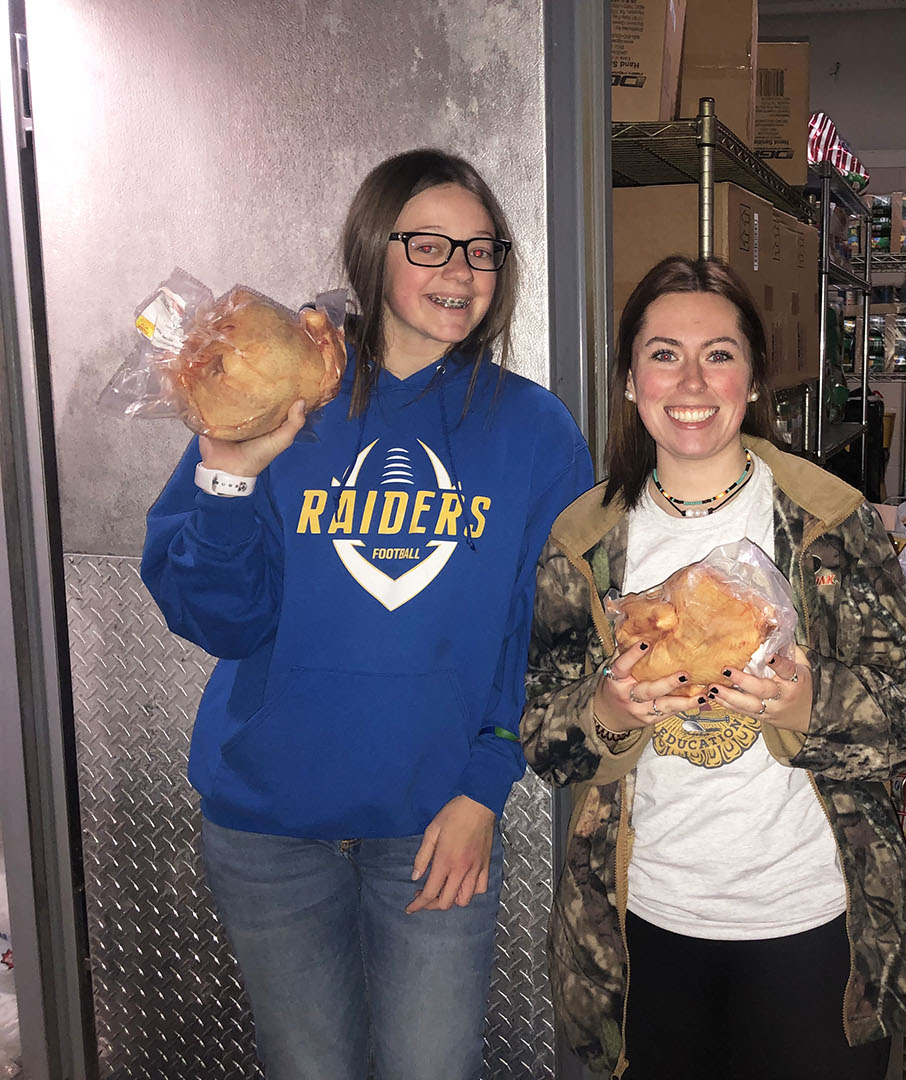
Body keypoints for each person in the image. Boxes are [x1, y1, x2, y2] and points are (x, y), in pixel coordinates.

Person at [141, 149, 592, 1080]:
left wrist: (484, 785)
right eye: (428, 244)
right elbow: (217, 621)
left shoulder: (535, 431)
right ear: (372, 250)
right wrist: (231, 470)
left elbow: (549, 636)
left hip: (435, 825)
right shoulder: (285, 399)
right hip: (269, 827)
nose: (459, 271)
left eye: (481, 249)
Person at [520, 256, 906, 1080]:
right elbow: (543, 739)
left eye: (720, 354)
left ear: (752, 382)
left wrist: (805, 707)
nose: (692, 381)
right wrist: (608, 711)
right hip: (646, 929)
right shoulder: (585, 541)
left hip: (815, 925)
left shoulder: (830, 522)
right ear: (631, 379)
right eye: (663, 353)